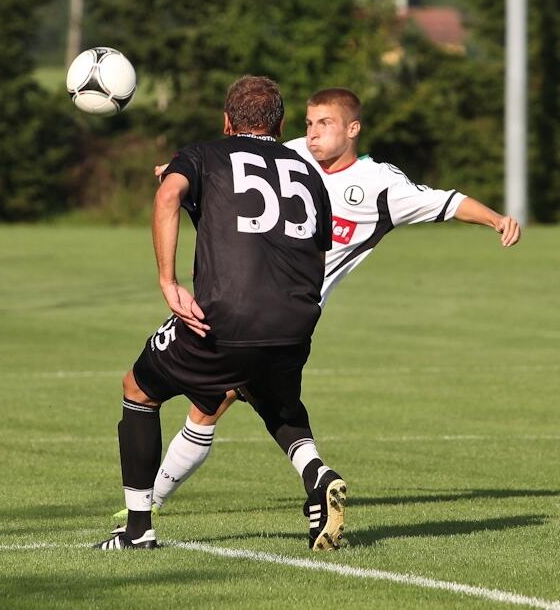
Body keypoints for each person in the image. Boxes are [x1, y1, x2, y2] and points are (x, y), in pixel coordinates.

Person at [116, 87, 520, 524]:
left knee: (191, 398)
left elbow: (449, 201)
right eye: (308, 124)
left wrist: (496, 219)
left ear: (353, 129)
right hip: (288, 318)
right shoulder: (295, 160)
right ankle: (312, 477)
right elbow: (231, 163)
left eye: (324, 124)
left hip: (255, 307)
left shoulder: (381, 184)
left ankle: (144, 510)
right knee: (222, 405)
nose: (313, 135)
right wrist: (184, 170)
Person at [95, 76, 347, 552]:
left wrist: (168, 282)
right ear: (282, 124)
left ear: (227, 121)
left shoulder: (204, 153)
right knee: (270, 395)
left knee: (138, 388)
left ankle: (137, 529)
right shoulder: (309, 171)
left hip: (225, 318)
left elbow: (168, 197)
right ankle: (317, 473)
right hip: (295, 319)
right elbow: (319, 254)